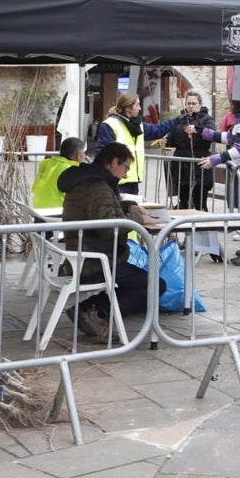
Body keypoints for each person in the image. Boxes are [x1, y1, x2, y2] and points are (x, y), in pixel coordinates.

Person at [57, 142, 166, 338]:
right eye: (125, 168)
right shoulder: (97, 186)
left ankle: (90, 310)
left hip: (83, 255)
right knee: (154, 284)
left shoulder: (89, 180)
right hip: (94, 261)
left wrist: (128, 206)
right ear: (113, 162)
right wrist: (139, 220)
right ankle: (94, 311)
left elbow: (100, 211)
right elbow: (108, 227)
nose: (125, 175)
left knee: (141, 279)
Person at [201, 87, 240, 261]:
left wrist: (214, 159)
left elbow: (238, 150)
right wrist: (204, 133)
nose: (230, 104)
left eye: (232, 101)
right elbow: (229, 138)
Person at [93, 93, 182, 196]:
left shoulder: (138, 125)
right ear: (128, 108)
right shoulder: (110, 125)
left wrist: (177, 120)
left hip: (132, 182)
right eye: (137, 105)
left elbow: (158, 129)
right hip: (115, 182)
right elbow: (102, 155)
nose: (140, 108)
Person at [166, 91, 216, 211]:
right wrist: (166, 141)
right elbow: (172, 138)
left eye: (194, 103)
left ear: (200, 104)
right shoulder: (180, 119)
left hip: (199, 165)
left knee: (200, 203)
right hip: (181, 168)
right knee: (183, 201)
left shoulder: (207, 119)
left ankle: (201, 227)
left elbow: (212, 135)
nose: (191, 106)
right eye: (188, 103)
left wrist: (198, 130)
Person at [31, 136, 84, 210]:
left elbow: (34, 187)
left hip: (37, 208)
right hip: (56, 210)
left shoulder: (46, 163)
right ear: (78, 155)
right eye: (83, 153)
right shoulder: (72, 170)